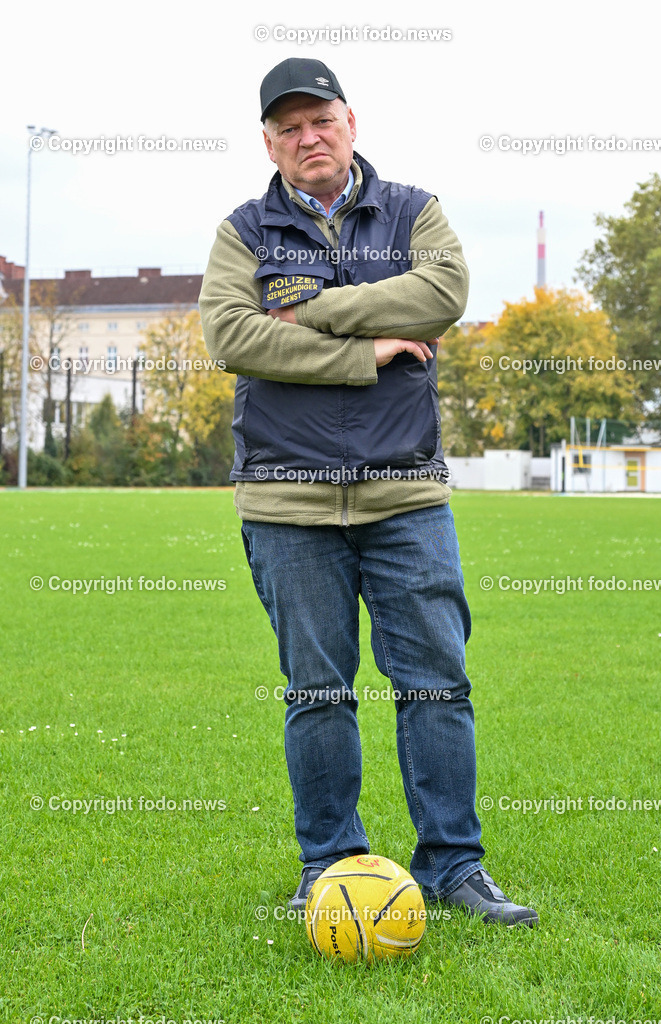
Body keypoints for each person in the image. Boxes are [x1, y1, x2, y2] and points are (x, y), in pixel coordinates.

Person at [199, 58, 538, 927]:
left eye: (321, 121)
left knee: (437, 686)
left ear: (351, 122)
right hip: (287, 503)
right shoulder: (242, 231)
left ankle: (455, 868)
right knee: (317, 693)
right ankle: (330, 868)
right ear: (267, 142)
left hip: (405, 498)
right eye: (288, 128)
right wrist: (366, 348)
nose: (307, 138)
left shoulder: (413, 212)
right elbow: (233, 336)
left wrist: (309, 311)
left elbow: (443, 293)